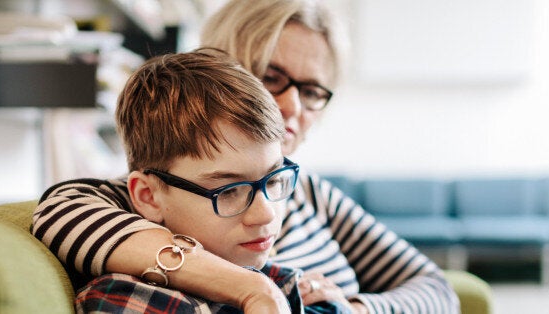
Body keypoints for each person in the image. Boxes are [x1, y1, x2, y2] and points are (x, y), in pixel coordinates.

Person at [32, 0, 460, 313]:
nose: (292, 107)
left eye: (311, 91)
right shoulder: (156, 196)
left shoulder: (309, 190)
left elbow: (436, 289)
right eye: (272, 77)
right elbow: (58, 213)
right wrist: (252, 289)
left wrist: (355, 307)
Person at [72, 49, 350, 313]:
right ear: (148, 196)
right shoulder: (133, 299)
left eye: (274, 180)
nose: (265, 214)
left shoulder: (278, 278)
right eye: (229, 191)